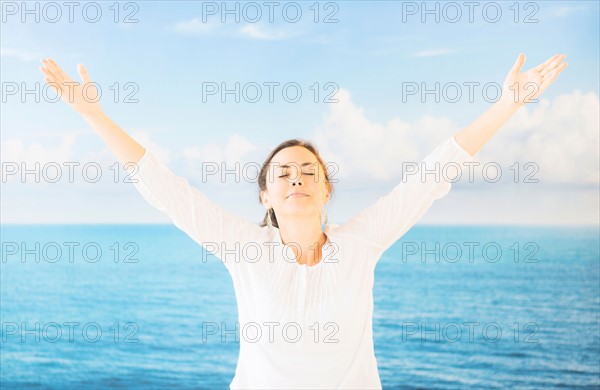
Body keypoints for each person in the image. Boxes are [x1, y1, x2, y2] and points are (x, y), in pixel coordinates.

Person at [39, 53, 567, 389]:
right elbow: (162, 186)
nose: (297, 179)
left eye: (308, 171)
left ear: (327, 189)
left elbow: (435, 172)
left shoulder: (363, 241)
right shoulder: (242, 247)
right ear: (266, 193)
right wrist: (93, 115)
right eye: (284, 173)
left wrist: (509, 104)